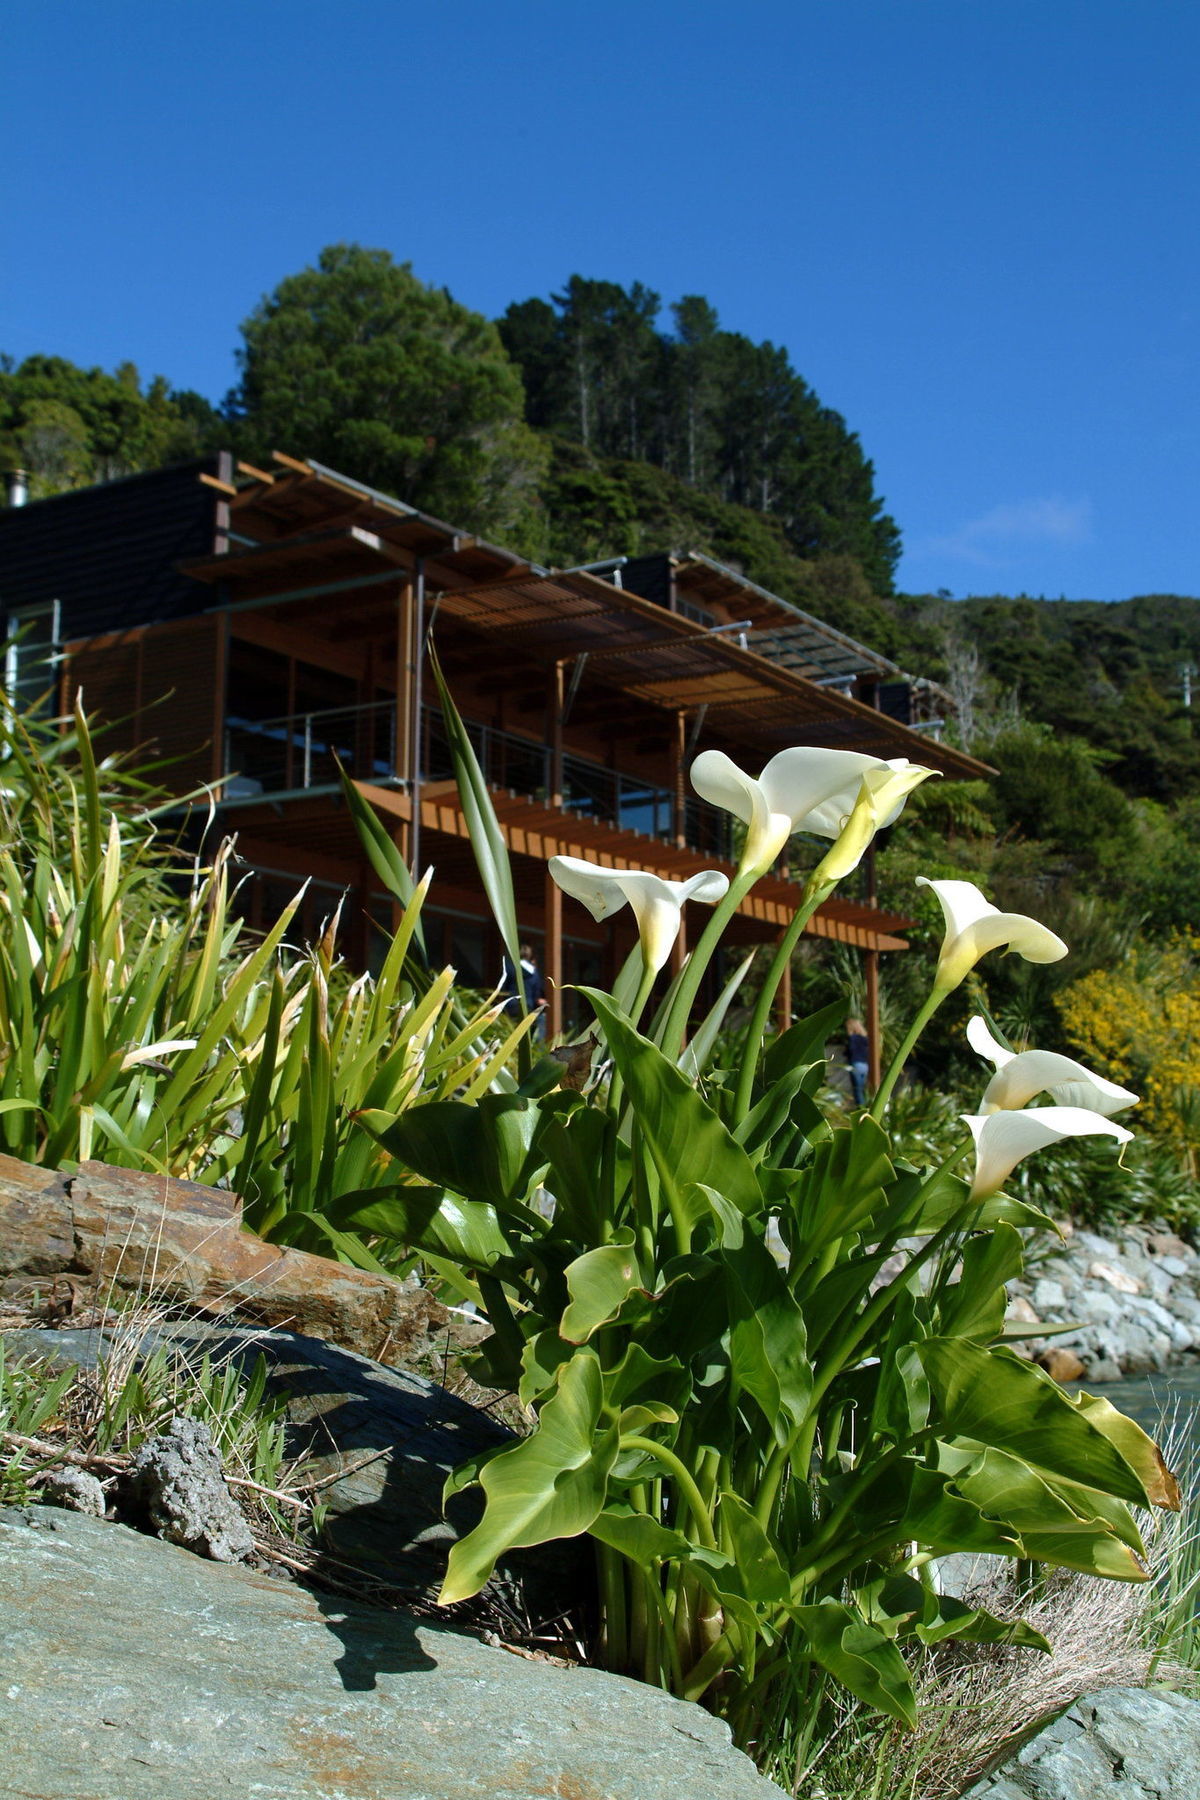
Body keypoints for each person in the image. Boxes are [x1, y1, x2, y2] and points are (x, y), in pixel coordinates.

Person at [501, 940, 548, 1037]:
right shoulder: (534, 972)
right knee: (524, 1035)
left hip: (511, 1005)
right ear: (530, 955)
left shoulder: (510, 967)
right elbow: (536, 994)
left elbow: (503, 988)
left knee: (510, 1034)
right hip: (527, 1006)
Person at [845, 1015, 870, 1106]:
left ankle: (861, 1109)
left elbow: (852, 1049)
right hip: (865, 1065)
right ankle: (866, 1106)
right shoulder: (865, 1038)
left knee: (857, 1089)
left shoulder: (853, 1038)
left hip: (856, 1064)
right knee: (863, 1088)